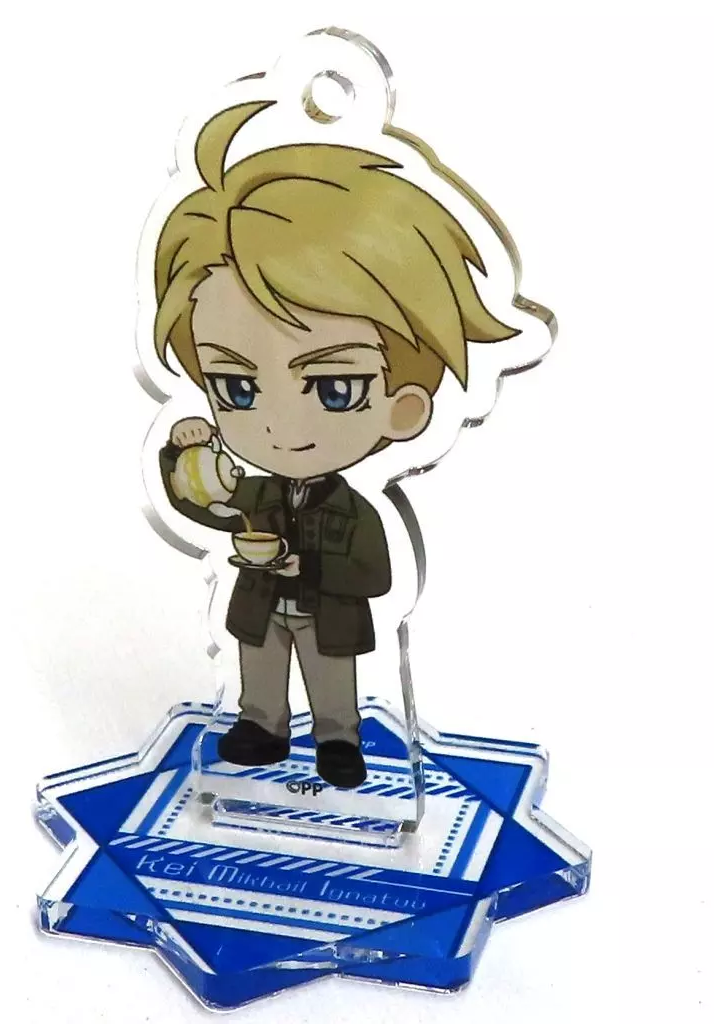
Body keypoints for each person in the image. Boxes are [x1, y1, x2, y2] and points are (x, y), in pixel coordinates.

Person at [154, 101, 517, 787]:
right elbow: (206, 501)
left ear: (403, 410)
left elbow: (377, 574)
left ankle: (338, 741)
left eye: (334, 388)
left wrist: (306, 565)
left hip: (326, 615)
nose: (280, 427)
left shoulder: (353, 507)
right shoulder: (256, 486)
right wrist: (185, 456)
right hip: (260, 607)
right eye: (236, 387)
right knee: (259, 670)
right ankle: (262, 726)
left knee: (330, 679)